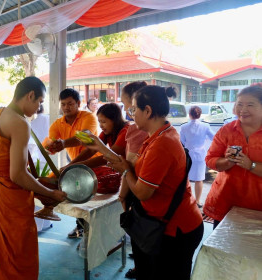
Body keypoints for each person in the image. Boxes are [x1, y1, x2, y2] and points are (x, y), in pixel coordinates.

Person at [84, 85, 203, 280]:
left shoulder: (162, 145)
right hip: (162, 222)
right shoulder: (157, 136)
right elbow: (129, 165)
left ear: (147, 111)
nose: (131, 114)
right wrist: (99, 147)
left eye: (132, 109)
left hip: (176, 228)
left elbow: (141, 192)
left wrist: (125, 173)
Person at [0, 77, 66, 279]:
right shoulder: (20, 123)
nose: (39, 107)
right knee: (15, 255)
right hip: (8, 197)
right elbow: (18, 174)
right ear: (30, 95)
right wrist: (50, 193)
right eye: (39, 101)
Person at [204, 85, 262, 229]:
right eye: (239, 104)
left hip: (257, 208)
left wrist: (251, 165)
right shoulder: (227, 130)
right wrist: (227, 162)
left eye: (250, 105)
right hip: (226, 203)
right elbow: (210, 160)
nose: (243, 109)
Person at [44, 88, 98, 238]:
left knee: (90, 199)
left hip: (96, 164)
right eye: (63, 104)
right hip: (75, 165)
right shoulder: (58, 123)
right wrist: (50, 147)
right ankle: (80, 227)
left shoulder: (88, 117)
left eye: (70, 104)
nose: (66, 107)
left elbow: (86, 138)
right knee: (48, 182)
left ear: (78, 104)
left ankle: (91, 230)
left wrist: (63, 143)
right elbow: (50, 143)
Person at [119, 81, 149, 279]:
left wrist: (122, 193)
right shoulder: (157, 130)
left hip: (137, 188)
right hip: (140, 186)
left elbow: (129, 164)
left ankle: (141, 268)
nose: (127, 110)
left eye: (128, 105)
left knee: (141, 234)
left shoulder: (139, 129)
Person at [67, 103, 129, 168]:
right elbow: (91, 150)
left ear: (115, 120)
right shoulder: (107, 132)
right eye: (99, 122)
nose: (100, 125)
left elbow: (109, 157)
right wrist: (69, 165)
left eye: (103, 122)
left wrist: (75, 166)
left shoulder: (125, 132)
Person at [180, 106, 214, 207]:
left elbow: (182, 141)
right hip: (200, 155)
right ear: (200, 115)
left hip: (188, 154)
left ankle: (186, 200)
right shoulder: (205, 126)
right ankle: (198, 201)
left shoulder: (184, 127)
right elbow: (214, 138)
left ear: (189, 115)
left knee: (185, 178)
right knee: (199, 179)